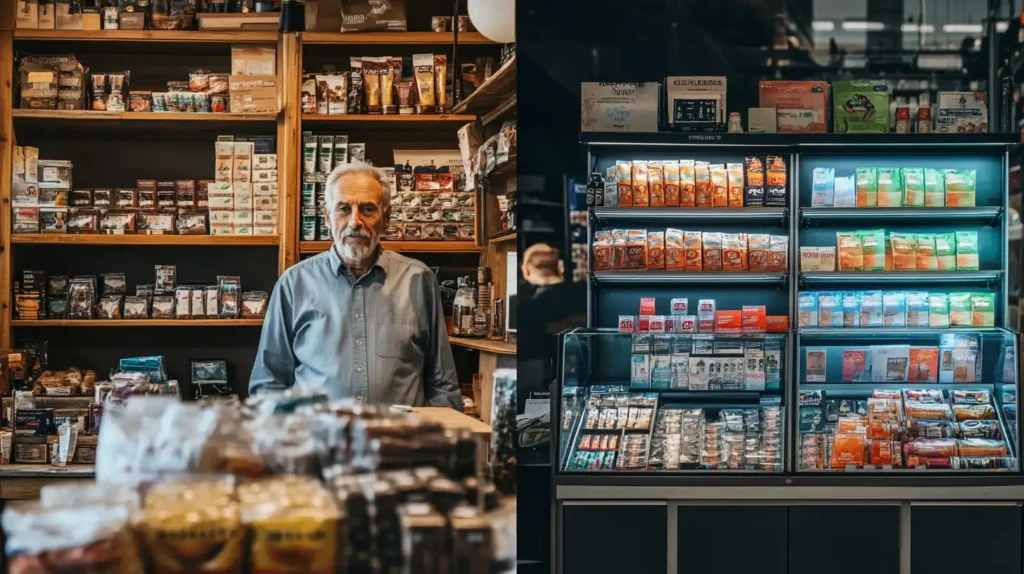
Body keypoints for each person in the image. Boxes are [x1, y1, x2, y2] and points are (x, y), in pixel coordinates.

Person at [250, 160, 462, 409]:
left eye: (368, 209)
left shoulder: (418, 280)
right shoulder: (294, 284)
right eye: (343, 209)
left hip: (400, 444)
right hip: (319, 444)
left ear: (386, 218)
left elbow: (443, 385)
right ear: (327, 217)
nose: (355, 221)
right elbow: (268, 384)